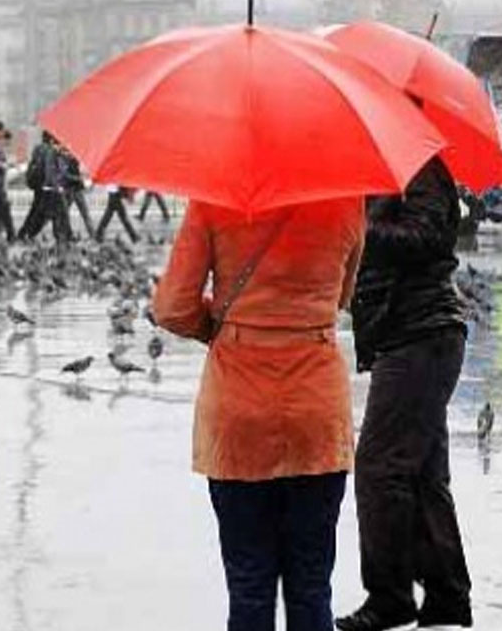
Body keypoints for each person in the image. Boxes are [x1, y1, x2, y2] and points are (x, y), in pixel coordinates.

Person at [152, 197, 364, 631]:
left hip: (239, 410)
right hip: (316, 412)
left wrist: (224, 326)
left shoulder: (215, 201)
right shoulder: (348, 201)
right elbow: (344, 295)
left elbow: (172, 307)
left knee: (249, 585)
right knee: (311, 587)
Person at [339, 156, 472, 631]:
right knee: (422, 473)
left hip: (421, 335)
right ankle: (447, 597)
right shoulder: (381, 170)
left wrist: (360, 227)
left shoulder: (419, 168)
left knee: (380, 468)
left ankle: (390, 596)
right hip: (408, 334)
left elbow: (429, 238)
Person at [17, 132, 71, 245]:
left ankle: (25, 233)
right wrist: (55, 186)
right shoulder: (49, 151)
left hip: (39, 185)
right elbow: (50, 171)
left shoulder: (38, 148)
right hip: (48, 186)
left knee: (39, 212)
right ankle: (60, 237)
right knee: (50, 212)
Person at [61, 147, 94, 240]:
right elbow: (66, 175)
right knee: (67, 213)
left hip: (75, 189)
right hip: (71, 189)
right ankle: (67, 234)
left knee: (83, 213)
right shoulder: (66, 159)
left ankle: (92, 233)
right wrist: (80, 179)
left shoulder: (73, 159)